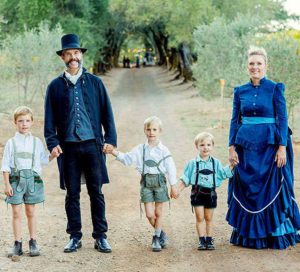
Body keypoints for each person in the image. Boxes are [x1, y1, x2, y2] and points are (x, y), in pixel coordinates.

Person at [44, 34, 117, 253]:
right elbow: (49, 119)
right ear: (63, 57)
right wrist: (52, 142)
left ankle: (101, 236)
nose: (73, 57)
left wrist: (110, 140)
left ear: (81, 55)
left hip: (92, 145)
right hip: (68, 148)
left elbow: (107, 114)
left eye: (76, 53)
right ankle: (74, 236)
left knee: (96, 192)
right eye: (68, 54)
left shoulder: (95, 83)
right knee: (72, 193)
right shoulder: (55, 86)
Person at [227, 46, 300, 249]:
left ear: (266, 65)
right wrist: (231, 147)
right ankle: (249, 235)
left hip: (271, 147)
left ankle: (276, 233)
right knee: (248, 188)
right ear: (247, 66)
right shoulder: (240, 91)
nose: (255, 67)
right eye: (251, 63)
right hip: (246, 147)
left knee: (274, 186)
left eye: (259, 63)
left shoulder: (275, 88)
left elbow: (283, 118)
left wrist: (282, 147)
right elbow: (235, 120)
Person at [108, 116, 178, 252]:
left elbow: (171, 168)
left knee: (158, 212)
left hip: (160, 183)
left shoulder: (164, 150)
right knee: (149, 214)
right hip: (146, 183)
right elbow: (127, 159)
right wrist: (113, 152)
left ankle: (156, 238)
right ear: (144, 131)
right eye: (148, 129)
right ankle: (161, 233)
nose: (151, 132)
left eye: (154, 129)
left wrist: (173, 185)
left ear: (160, 131)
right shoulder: (140, 149)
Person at [1, 106, 56, 257]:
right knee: (16, 212)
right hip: (15, 181)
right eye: (20, 121)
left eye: (27, 120)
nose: (24, 124)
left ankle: (33, 242)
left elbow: (44, 160)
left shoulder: (37, 142)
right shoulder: (11, 143)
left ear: (32, 122)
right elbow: (5, 165)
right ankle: (17, 244)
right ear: (15, 123)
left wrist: (53, 155)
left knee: (31, 211)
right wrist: (6, 184)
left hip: (33, 181)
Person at [177, 132, 233, 250]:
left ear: (212, 146)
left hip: (210, 194)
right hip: (197, 193)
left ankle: (209, 239)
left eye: (208, 144)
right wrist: (178, 190)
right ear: (197, 146)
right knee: (199, 217)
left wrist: (232, 166)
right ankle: (202, 240)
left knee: (208, 218)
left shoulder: (215, 163)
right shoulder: (193, 163)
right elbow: (186, 178)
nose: (205, 147)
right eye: (202, 145)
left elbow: (223, 174)